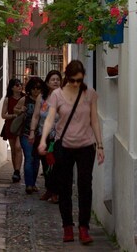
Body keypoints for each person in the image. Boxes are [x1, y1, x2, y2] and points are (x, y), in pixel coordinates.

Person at [38, 60, 105, 245]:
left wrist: (100, 145)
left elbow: (94, 120)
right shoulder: (57, 95)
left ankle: (84, 227)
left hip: (86, 146)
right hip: (65, 146)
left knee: (85, 187)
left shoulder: (89, 94)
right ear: (67, 77)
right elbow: (50, 119)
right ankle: (67, 226)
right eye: (73, 80)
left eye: (79, 80)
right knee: (64, 188)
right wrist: (43, 140)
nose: (76, 84)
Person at [32, 69, 61, 203]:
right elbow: (36, 116)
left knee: (56, 164)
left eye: (58, 79)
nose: (55, 82)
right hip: (43, 135)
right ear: (47, 82)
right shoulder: (41, 97)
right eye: (53, 79)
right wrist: (32, 131)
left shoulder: (63, 97)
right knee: (45, 164)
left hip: (57, 137)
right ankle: (49, 189)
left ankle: (55, 192)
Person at [18, 77, 46, 194]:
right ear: (30, 88)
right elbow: (15, 110)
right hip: (26, 133)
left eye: (38, 88)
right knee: (29, 158)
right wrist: (20, 110)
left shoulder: (44, 100)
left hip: (39, 134)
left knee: (36, 160)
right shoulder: (24, 99)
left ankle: (33, 183)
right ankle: (29, 184)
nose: (36, 90)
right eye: (34, 88)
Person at [0, 78, 25, 183]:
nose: (19, 86)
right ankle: (16, 171)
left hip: (22, 126)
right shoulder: (8, 99)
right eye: (17, 85)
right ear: (12, 87)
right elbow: (3, 115)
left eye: (20, 84)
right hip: (11, 126)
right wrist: (13, 115)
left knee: (18, 147)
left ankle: (17, 171)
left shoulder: (24, 98)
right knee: (14, 150)